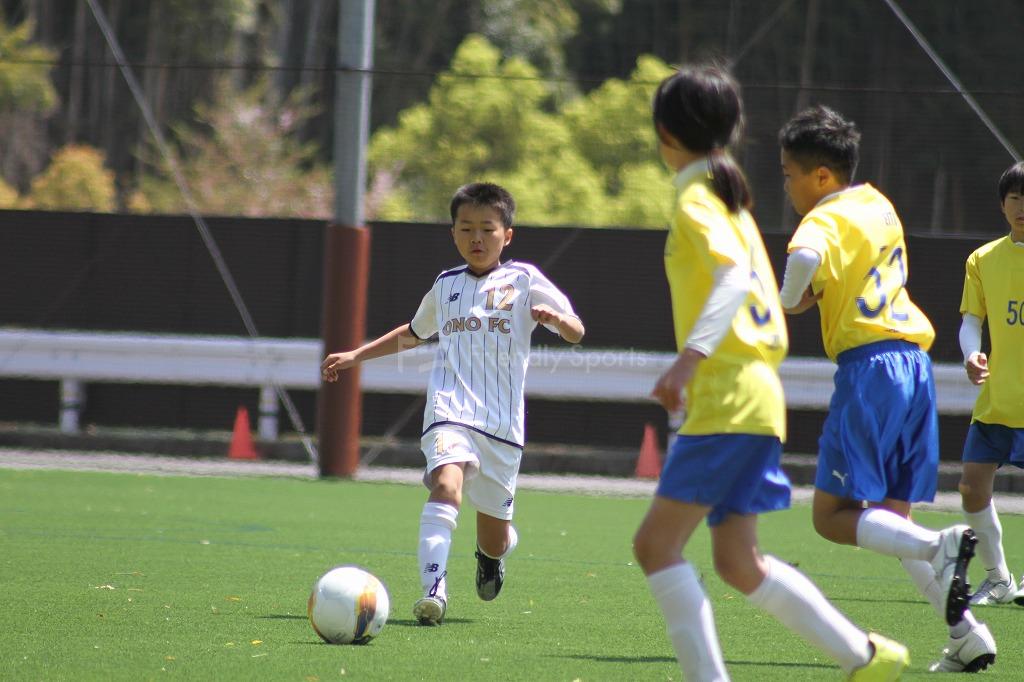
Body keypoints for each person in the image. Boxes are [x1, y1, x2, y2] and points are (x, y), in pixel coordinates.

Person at [632, 64, 908, 682]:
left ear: (664, 133)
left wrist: (690, 357)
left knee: (655, 546)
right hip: (756, 396)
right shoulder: (731, 202)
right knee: (738, 562)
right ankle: (866, 658)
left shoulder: (696, 198)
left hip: (727, 397)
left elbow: (731, 277)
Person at [777, 104, 996, 672]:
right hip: (914, 366)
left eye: (789, 175)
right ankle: (967, 634)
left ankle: (938, 545)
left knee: (830, 517)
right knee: (890, 520)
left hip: (870, 370)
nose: (787, 186)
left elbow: (805, 257)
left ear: (820, 176)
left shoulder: (821, 219)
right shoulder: (878, 203)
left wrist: (785, 301)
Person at [321, 182, 584, 625]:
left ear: (507, 235)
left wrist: (558, 320)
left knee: (495, 538)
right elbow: (414, 333)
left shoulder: (524, 279)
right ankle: (433, 592)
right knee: (445, 483)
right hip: (449, 412)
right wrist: (355, 356)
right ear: (453, 233)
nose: (476, 238)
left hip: (501, 427)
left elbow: (576, 331)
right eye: (466, 228)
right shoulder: (446, 286)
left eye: (487, 228)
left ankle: (492, 555)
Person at [956, 160, 1024, 608]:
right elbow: (971, 320)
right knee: (971, 487)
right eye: (1015, 198)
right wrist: (971, 354)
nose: (1022, 207)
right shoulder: (982, 260)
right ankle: (998, 579)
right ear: (1002, 205)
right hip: (996, 400)